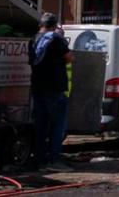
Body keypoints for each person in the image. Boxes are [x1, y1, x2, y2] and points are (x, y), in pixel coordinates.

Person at [28, 13, 73, 171]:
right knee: (57, 126)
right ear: (54, 26)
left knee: (41, 126)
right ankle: (54, 160)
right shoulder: (56, 39)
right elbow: (69, 58)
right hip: (55, 88)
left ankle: (40, 161)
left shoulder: (33, 39)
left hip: (37, 87)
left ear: (40, 25)